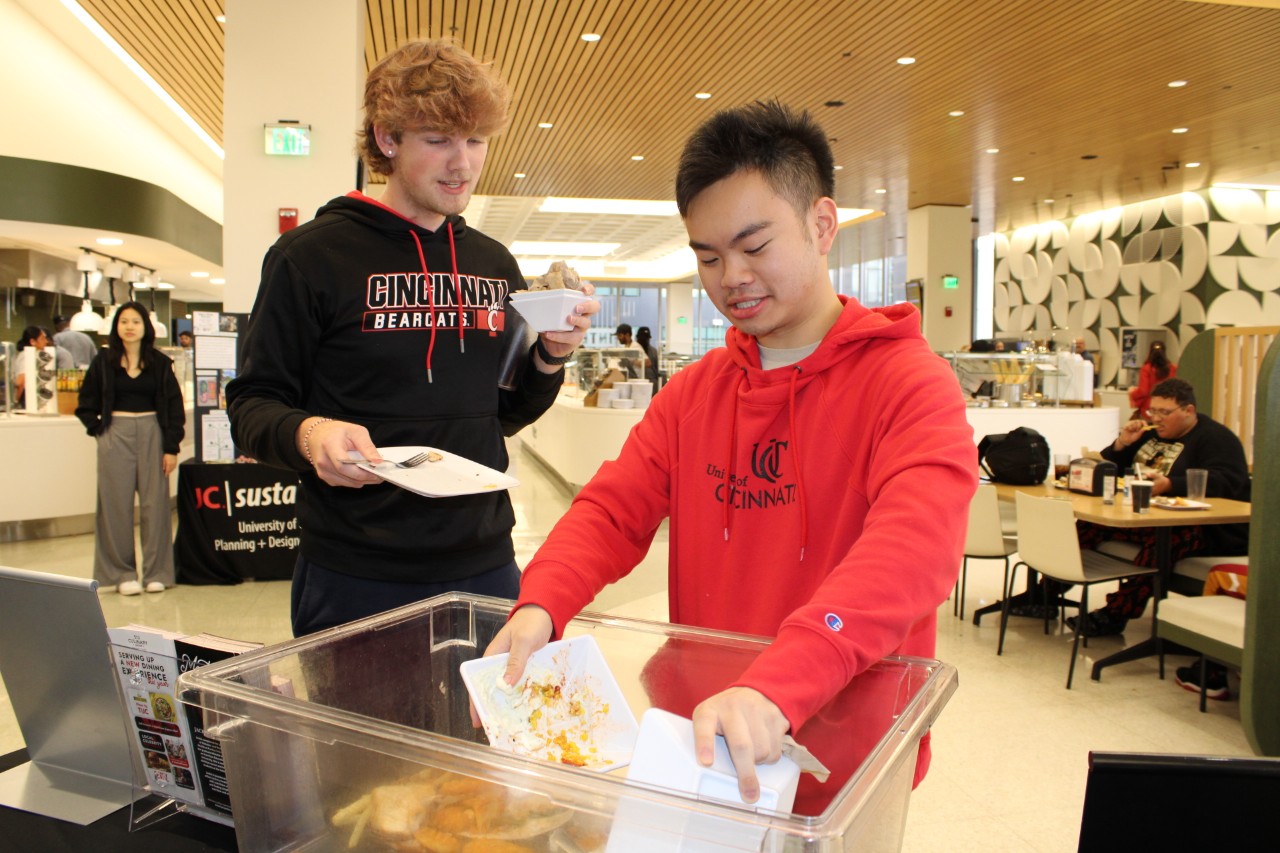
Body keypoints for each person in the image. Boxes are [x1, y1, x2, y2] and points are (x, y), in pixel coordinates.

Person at [484, 101, 977, 803]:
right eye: (709, 256)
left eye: (754, 245)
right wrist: (541, 604)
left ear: (822, 224)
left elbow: (913, 552)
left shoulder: (907, 382)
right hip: (702, 745)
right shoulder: (697, 392)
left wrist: (780, 684)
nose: (731, 277)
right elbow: (612, 508)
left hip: (842, 760)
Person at [226, 39, 597, 637]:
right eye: (438, 140)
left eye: (475, 141)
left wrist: (549, 357)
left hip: (485, 562)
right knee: (355, 734)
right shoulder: (310, 257)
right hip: (356, 570)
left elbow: (502, 411)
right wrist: (310, 433)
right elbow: (250, 405)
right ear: (387, 139)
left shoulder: (493, 265)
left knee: (480, 732)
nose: (464, 163)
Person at [1067, 378, 1250, 637]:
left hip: (1209, 529)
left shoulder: (1216, 438)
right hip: (1150, 516)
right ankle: (1046, 594)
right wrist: (1124, 442)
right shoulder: (1151, 434)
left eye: (1165, 412)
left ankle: (1116, 613)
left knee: (1166, 540)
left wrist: (1170, 484)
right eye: (1153, 411)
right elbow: (1111, 468)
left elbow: (1229, 481)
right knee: (1088, 525)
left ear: (1188, 411)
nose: (1158, 418)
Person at [75, 302, 185, 595]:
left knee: (156, 505)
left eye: (135, 321)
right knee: (115, 507)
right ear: (116, 327)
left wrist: (171, 447)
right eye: (124, 321)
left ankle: (156, 572)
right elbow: (85, 403)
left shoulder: (160, 363)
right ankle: (121, 574)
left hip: (153, 434)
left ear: (145, 327)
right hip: (116, 434)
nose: (129, 327)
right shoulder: (103, 361)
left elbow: (174, 407)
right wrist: (99, 430)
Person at [1128, 340, 1175, 421]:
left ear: (1150, 352)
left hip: (1149, 409)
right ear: (1164, 351)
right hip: (1168, 409)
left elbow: (1143, 391)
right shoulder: (1173, 368)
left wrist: (1132, 393)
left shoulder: (1146, 368)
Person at [634, 324, 660, 393]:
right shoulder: (635, 349)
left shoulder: (635, 349)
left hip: (649, 381)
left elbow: (655, 367)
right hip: (642, 381)